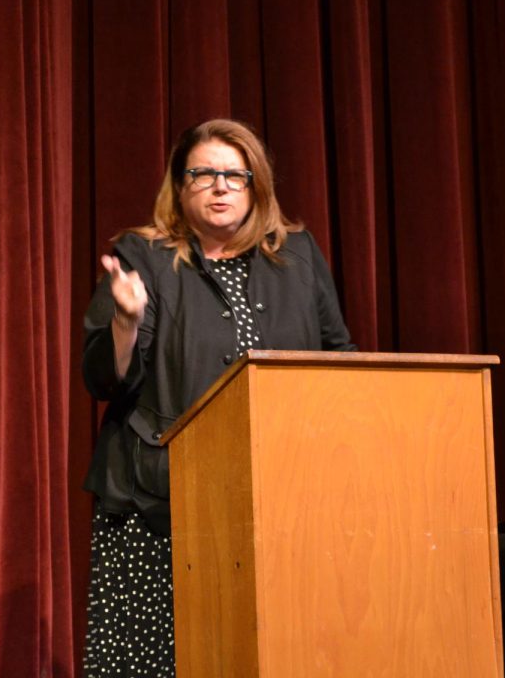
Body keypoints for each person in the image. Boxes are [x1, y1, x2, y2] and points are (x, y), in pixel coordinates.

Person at [80, 118, 356, 676]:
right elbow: (102, 382)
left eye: (235, 174)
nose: (221, 185)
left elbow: (338, 358)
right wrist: (126, 324)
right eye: (203, 174)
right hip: (161, 503)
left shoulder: (297, 255)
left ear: (256, 186)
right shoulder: (145, 256)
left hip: (283, 500)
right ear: (180, 189)